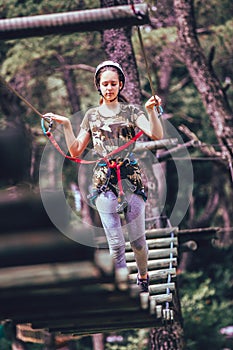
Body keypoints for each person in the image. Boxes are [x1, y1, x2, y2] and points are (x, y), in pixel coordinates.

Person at [44, 60, 163, 293]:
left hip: (130, 178)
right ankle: (122, 286)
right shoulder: (91, 116)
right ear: (98, 86)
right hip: (103, 179)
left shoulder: (132, 112)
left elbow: (155, 134)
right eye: (104, 84)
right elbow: (76, 151)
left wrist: (150, 111)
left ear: (120, 85)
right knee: (116, 245)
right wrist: (67, 125)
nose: (109, 88)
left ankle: (142, 276)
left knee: (138, 242)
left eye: (113, 84)